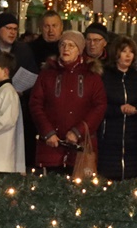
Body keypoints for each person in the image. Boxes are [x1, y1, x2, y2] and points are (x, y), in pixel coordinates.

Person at [30, 30, 107, 175]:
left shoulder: (91, 75)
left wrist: (78, 132)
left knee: (79, 187)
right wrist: (48, 132)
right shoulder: (47, 74)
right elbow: (36, 104)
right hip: (51, 147)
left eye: (71, 45)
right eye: (63, 45)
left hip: (80, 148)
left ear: (79, 50)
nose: (66, 49)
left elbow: (99, 106)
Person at [98, 35, 137, 180]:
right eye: (124, 51)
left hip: (133, 137)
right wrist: (119, 109)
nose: (128, 55)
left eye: (131, 52)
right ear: (116, 53)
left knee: (131, 177)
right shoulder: (105, 76)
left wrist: (136, 109)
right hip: (109, 136)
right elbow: (99, 105)